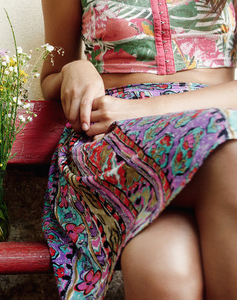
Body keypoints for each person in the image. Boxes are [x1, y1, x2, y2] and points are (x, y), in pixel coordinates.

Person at [40, 0, 237, 299]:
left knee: (164, 273)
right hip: (118, 141)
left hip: (211, 123)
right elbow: (50, 76)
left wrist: (139, 109)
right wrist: (73, 69)